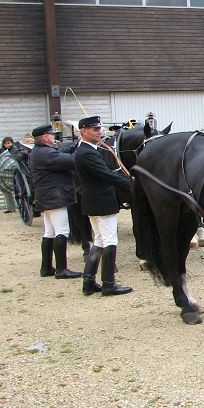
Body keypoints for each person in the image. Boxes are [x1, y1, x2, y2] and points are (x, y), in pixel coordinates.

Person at [74, 116, 133, 296]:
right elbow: (105, 175)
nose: (99, 132)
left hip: (95, 201)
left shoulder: (89, 150)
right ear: (84, 131)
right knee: (109, 241)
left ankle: (89, 282)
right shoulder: (87, 152)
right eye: (94, 129)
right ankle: (109, 284)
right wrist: (131, 182)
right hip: (101, 201)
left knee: (99, 241)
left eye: (99, 129)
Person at [29, 125, 82, 279]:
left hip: (47, 196)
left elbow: (62, 153)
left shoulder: (39, 151)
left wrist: (75, 144)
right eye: (51, 135)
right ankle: (61, 269)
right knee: (62, 231)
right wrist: (82, 148)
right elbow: (72, 160)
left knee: (49, 232)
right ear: (45, 137)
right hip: (55, 197)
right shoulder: (47, 154)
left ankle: (46, 267)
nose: (54, 137)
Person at [0, 137, 17, 213]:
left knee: (19, 190)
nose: (7, 145)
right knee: (6, 191)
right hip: (3, 174)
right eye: (5, 143)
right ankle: (11, 208)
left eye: (9, 143)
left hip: (15, 173)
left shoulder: (16, 150)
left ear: (12, 143)